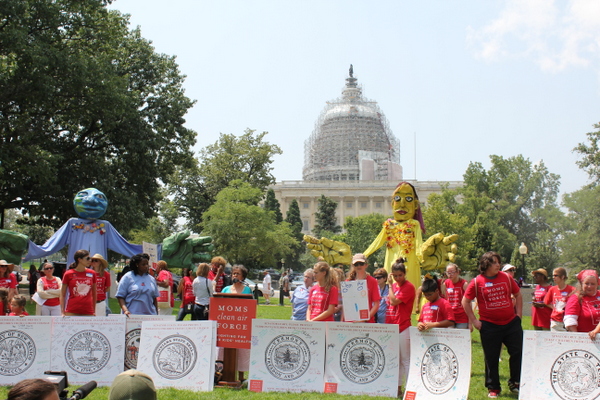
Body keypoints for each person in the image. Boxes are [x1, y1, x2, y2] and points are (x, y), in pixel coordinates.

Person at [462, 251, 522, 398]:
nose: (498, 265)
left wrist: (518, 316)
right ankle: (493, 387)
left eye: (498, 262)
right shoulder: (477, 282)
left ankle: (515, 382)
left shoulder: (506, 277)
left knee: (518, 352)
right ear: (486, 264)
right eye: (494, 262)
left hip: (511, 323)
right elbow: (465, 301)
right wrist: (474, 321)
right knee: (491, 357)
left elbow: (519, 295)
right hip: (489, 325)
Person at [385, 258, 415, 396]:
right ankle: (397, 388)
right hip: (392, 327)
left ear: (404, 274)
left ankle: (409, 388)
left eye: (400, 275)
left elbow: (393, 301)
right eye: (395, 275)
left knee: (405, 360)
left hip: (403, 327)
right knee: (395, 360)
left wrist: (390, 286)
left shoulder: (408, 287)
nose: (398, 278)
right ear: (392, 274)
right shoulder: (395, 286)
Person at [220, 264, 252, 381]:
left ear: (243, 277)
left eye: (238, 274)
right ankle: (223, 374)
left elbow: (250, 307)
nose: (235, 275)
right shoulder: (225, 290)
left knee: (242, 350)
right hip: (228, 324)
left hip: (242, 324)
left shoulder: (247, 290)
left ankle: (241, 377)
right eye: (234, 273)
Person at [60, 249, 97, 316]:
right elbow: (62, 294)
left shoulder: (92, 273)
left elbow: (94, 293)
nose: (90, 260)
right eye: (88, 258)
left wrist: (94, 310)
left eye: (90, 258)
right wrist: (62, 311)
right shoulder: (68, 274)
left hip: (88, 311)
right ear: (79, 259)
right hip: (71, 310)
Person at [565, 269, 600, 337]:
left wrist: (596, 331)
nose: (589, 286)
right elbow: (570, 321)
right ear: (581, 283)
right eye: (586, 283)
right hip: (586, 340)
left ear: (597, 284)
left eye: (593, 284)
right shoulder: (576, 298)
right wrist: (578, 339)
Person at [346, 253, 380, 322]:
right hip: (350, 322)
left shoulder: (372, 281)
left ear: (366, 265)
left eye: (361, 263)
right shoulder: (348, 282)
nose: (359, 266)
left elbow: (376, 304)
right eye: (356, 264)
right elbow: (346, 304)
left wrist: (365, 319)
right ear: (353, 266)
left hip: (367, 322)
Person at [543, 267, 575, 331]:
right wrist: (555, 308)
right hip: (555, 321)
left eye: (555, 275)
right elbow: (546, 302)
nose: (553, 277)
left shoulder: (572, 290)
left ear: (563, 277)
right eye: (553, 275)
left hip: (567, 321)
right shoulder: (552, 289)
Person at [441, 263, 470, 329]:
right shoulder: (445, 283)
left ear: (457, 272)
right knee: (450, 337)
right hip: (450, 316)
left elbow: (469, 302)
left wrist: (470, 322)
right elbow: (444, 300)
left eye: (452, 272)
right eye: (448, 272)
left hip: (462, 316)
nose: (450, 274)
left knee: (461, 337)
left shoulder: (464, 284)